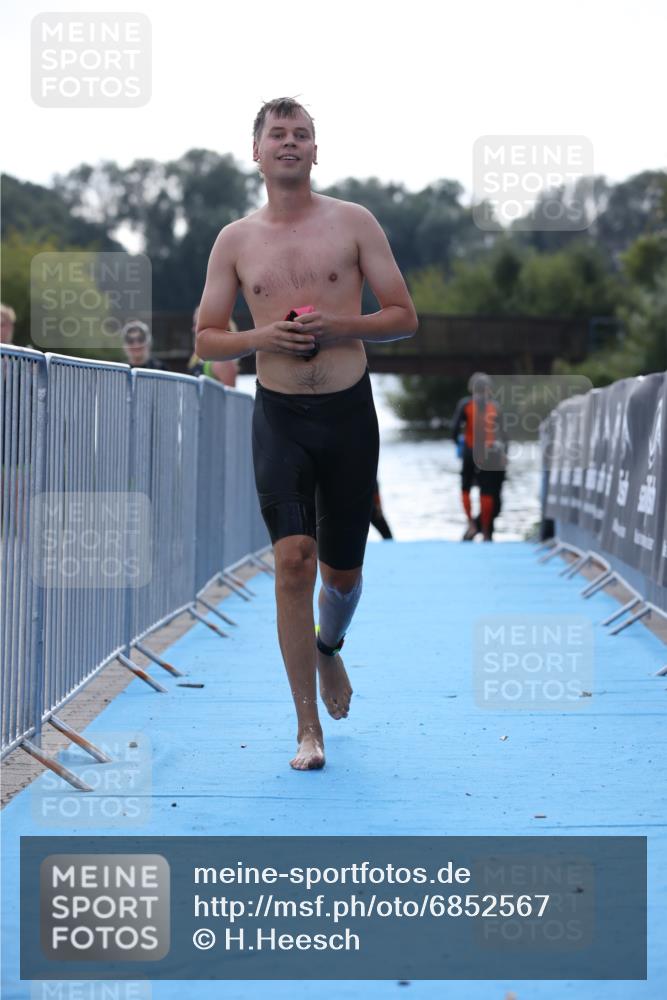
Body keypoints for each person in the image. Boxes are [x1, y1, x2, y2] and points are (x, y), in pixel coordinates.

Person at [196, 97, 417, 771]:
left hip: (348, 414)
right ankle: (307, 730)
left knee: (341, 578)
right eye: (277, 135)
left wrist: (338, 325)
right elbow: (206, 336)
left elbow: (404, 315)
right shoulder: (235, 240)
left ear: (315, 151)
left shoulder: (353, 223)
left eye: (302, 135)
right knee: (291, 560)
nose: (290, 143)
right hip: (280, 415)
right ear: (256, 153)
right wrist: (263, 336)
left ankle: (328, 650)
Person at [452, 372, 506, 541]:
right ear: (488, 388)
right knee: (487, 491)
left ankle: (471, 524)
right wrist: (505, 454)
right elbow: (503, 434)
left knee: (466, 487)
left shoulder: (465, 404)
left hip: (470, 450)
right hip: (489, 452)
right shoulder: (495, 406)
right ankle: (485, 531)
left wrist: (458, 446)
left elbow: (454, 429)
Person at [188, 306, 238, 386]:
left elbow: (230, 396)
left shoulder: (223, 361)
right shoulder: (198, 355)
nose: (193, 329)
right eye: (194, 324)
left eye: (198, 324)